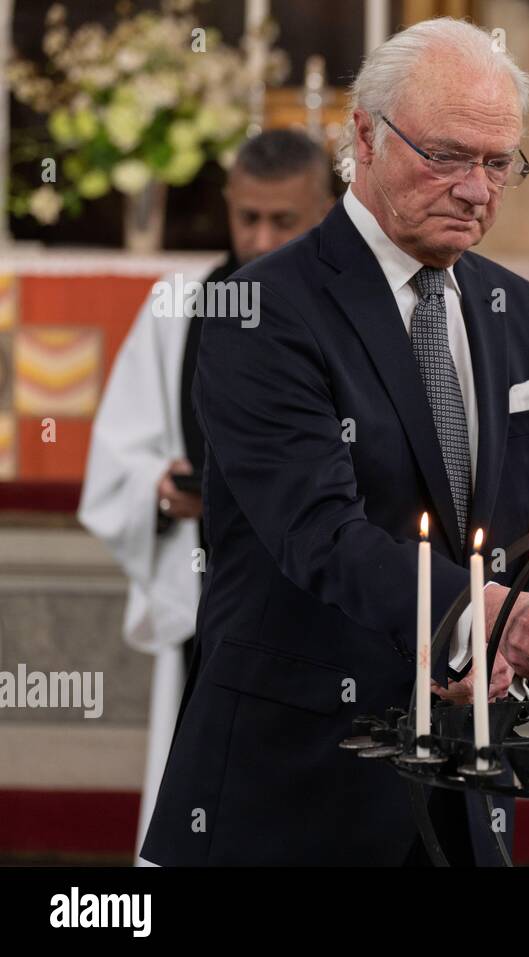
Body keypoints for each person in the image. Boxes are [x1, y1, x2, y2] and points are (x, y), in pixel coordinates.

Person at [140, 18, 529, 866]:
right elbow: (319, 534)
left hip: (465, 790)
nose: (475, 189)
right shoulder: (259, 310)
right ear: (363, 133)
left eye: (498, 163)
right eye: (447, 156)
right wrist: (474, 618)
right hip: (296, 788)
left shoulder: (521, 311)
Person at [78, 129, 335, 864]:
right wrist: (161, 491)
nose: (260, 238)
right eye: (246, 217)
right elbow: (117, 458)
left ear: (327, 208)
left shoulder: (359, 313)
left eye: (283, 220)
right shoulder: (179, 307)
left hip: (334, 605)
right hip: (217, 603)